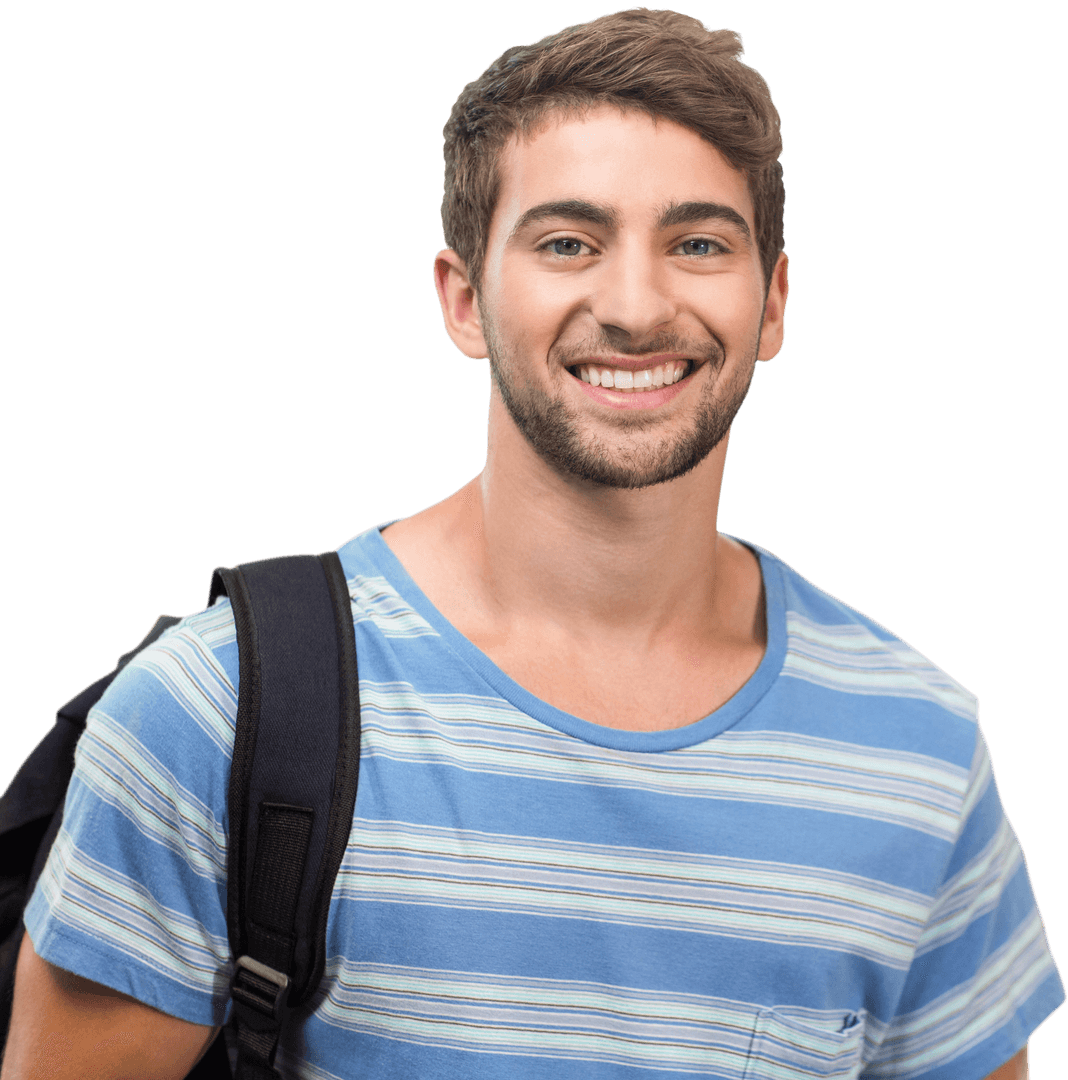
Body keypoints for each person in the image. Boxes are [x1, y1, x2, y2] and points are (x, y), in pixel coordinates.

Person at [2, 9, 1062, 1079]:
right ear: (465, 301)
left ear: (773, 303)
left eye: (699, 243)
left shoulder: (918, 755)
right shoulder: (215, 712)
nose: (639, 306)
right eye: (568, 243)